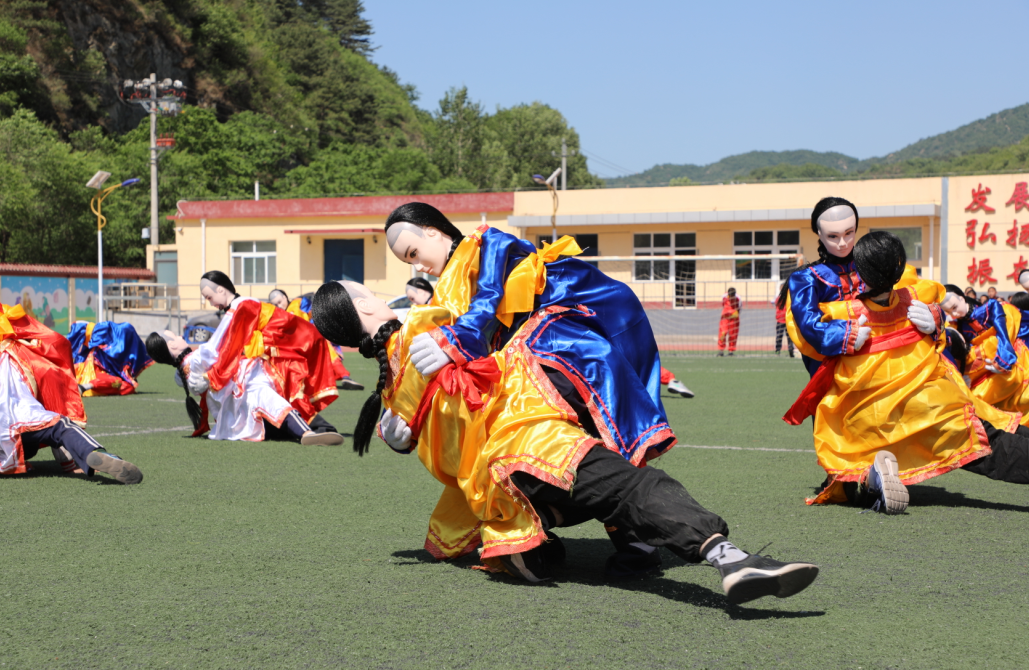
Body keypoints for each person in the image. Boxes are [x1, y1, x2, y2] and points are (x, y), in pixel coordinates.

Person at [311, 280, 820, 604]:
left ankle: (572, 542)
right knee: (633, 483)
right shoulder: (424, 327)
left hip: (497, 491)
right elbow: (491, 310)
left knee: (603, 469)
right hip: (529, 447)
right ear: (362, 303)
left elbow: (427, 451)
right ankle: (730, 560)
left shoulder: (388, 396)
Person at [384, 202, 673, 467]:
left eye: (414, 253)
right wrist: (403, 410)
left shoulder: (487, 242)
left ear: (433, 233)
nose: (418, 266)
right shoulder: (448, 288)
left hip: (570, 309)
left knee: (590, 363)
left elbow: (489, 296)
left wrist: (454, 340)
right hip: (526, 336)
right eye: (409, 261)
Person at [786, 232, 1029, 514]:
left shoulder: (844, 312)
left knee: (849, 473)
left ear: (860, 273)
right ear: (901, 270)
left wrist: (844, 333)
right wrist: (936, 317)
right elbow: (936, 299)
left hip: (868, 416)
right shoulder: (916, 297)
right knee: (991, 443)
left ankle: (873, 473)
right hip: (929, 403)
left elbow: (805, 325)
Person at [146, 271, 345, 444]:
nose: (210, 302)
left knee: (278, 399)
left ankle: (313, 430)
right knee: (280, 396)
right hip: (251, 373)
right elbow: (217, 346)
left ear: (221, 290)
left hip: (242, 389)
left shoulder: (239, 308)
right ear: (172, 346)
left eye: (209, 297)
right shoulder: (199, 357)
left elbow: (222, 344)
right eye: (176, 337)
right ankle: (312, 430)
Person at [0, 303, 143, 483]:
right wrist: (68, 464)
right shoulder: (23, 352)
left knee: (30, 442)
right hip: (19, 425)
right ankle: (95, 453)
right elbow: (55, 399)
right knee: (61, 425)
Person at [778, 196, 919, 377]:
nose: (842, 242)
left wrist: (932, 313)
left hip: (886, 356)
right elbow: (808, 324)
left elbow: (911, 290)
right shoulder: (806, 279)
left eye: (849, 233)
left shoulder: (873, 262)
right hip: (835, 368)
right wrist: (845, 336)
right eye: (833, 236)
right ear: (819, 234)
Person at [941, 283, 1029, 422]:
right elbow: (964, 354)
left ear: (962, 298)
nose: (955, 314)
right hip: (989, 368)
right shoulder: (958, 327)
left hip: (1013, 356)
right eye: (950, 312)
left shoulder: (992, 307)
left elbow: (1004, 333)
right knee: (977, 397)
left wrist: (1003, 357)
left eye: (954, 308)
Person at [268, 288, 363, 391]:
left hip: (312, 337)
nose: (279, 305)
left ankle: (344, 377)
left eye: (279, 302)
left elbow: (314, 313)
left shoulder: (299, 303)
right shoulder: (279, 316)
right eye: (276, 304)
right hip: (297, 346)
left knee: (329, 353)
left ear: (284, 297)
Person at [68, 321, 153, 396]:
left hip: (99, 377)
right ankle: (85, 387)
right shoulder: (100, 350)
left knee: (127, 386)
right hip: (91, 376)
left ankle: (85, 387)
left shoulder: (106, 347)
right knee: (121, 383)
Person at [717, 288, 741, 356]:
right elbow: (723, 305)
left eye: (732, 296)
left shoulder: (738, 298)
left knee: (733, 334)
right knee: (723, 333)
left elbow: (740, 307)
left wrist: (735, 315)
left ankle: (731, 351)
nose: (731, 297)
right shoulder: (724, 296)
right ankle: (721, 350)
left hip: (734, 318)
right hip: (725, 318)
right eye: (730, 295)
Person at [773, 290, 795, 357]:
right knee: (780, 336)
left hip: (787, 320)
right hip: (781, 320)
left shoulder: (789, 298)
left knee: (789, 337)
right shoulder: (779, 298)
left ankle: (790, 350)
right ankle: (778, 350)